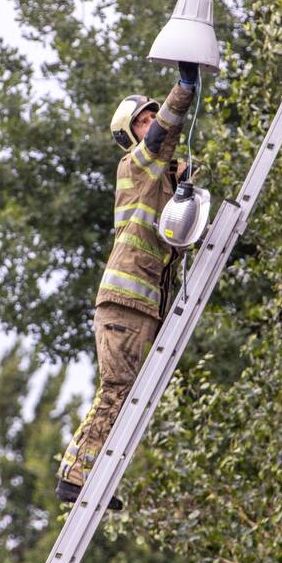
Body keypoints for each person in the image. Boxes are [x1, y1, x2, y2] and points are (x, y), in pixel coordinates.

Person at [55, 61, 200, 510]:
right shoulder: (135, 164)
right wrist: (184, 87)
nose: (152, 124)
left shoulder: (156, 181)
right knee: (117, 392)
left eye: (151, 116)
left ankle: (89, 475)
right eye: (143, 120)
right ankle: (77, 475)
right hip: (125, 304)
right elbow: (166, 132)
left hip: (137, 309)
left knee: (125, 396)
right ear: (132, 135)